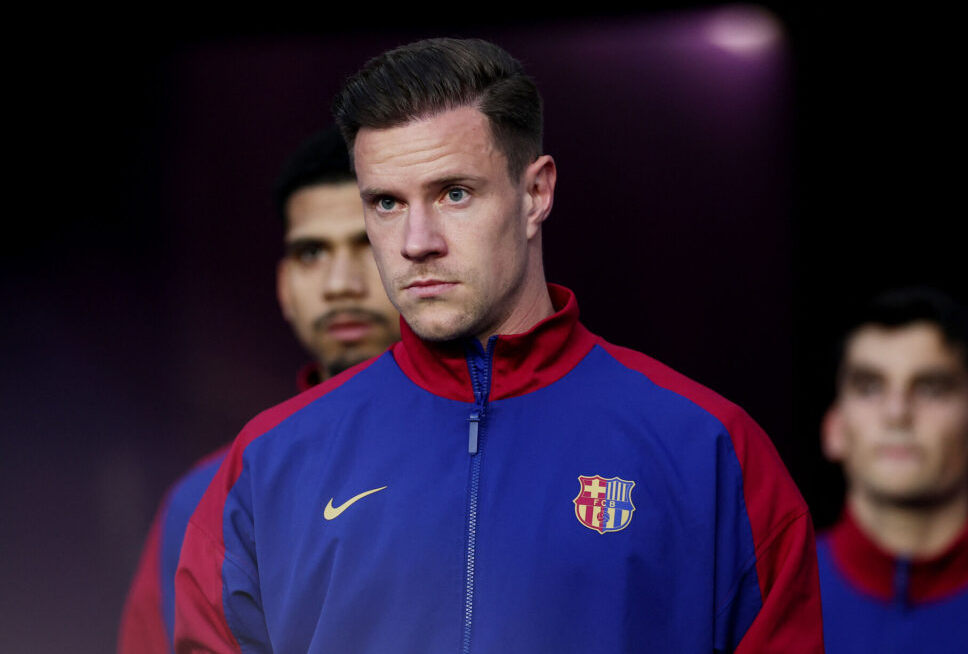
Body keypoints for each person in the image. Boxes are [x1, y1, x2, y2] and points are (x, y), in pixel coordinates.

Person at [175, 37, 824, 653]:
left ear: (536, 192)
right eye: (387, 203)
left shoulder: (709, 450)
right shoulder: (270, 463)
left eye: (454, 193)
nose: (416, 241)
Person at [116, 128, 401, 653]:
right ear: (284, 286)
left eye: (368, 245)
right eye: (312, 252)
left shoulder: (489, 456)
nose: (341, 283)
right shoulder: (208, 498)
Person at [817, 287, 968, 653]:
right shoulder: (769, 597)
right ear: (834, 429)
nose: (897, 413)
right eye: (869, 388)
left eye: (931, 389)